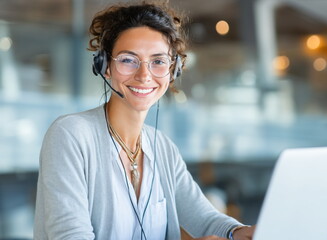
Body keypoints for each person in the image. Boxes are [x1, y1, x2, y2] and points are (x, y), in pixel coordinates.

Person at [33, 1, 255, 239]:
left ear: (173, 71)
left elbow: (205, 219)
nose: (144, 75)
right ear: (105, 65)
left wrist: (241, 232)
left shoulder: (162, 147)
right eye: (128, 60)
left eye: (158, 61)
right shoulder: (70, 135)